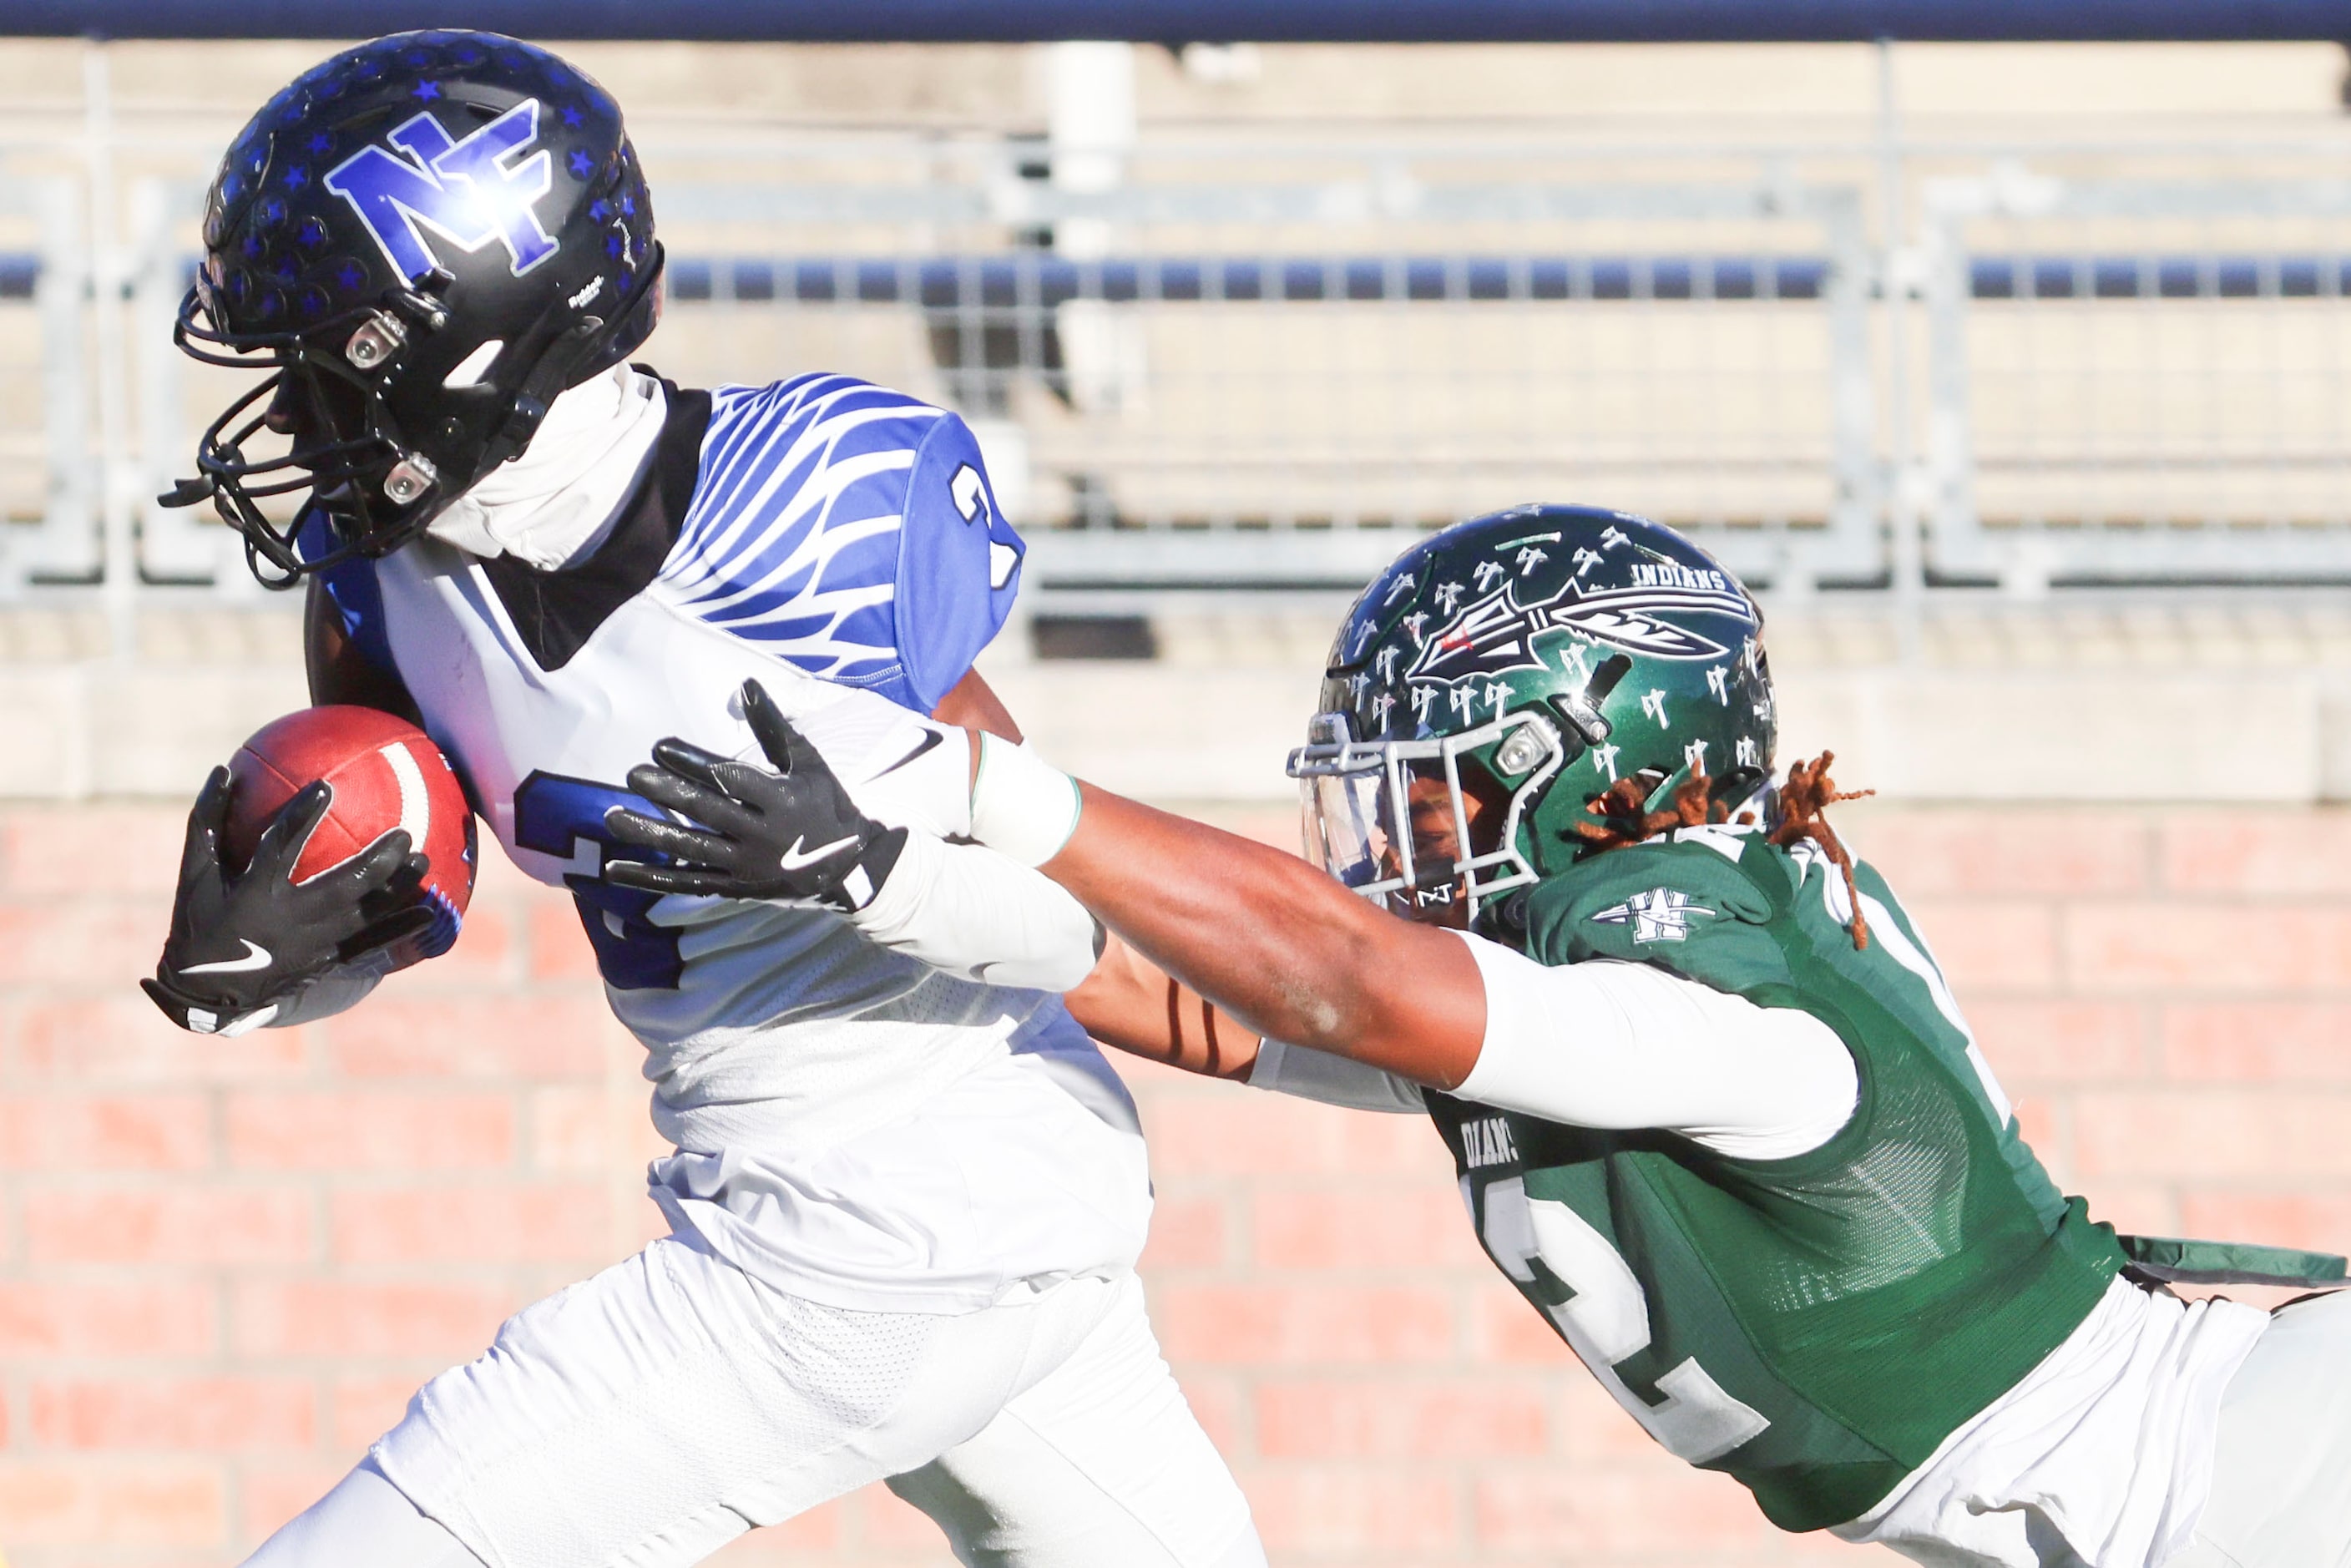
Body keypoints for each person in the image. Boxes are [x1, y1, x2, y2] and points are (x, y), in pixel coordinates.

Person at [622, 504, 2351, 1568]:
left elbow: (1341, 987)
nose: (1402, 839)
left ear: (1577, 771)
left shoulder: (1714, 1007)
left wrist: (983, 784)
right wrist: (885, 862)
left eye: (1442, 789)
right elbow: (1180, 996)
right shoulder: (1587, 1002)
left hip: (2249, 1489)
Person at [139, 30, 1265, 1568]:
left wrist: (1355, 1039)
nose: (289, 415)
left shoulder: (799, 516)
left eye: (331, 360)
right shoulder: (391, 576)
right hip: (1003, 1229)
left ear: (467, 338)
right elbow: (426, 866)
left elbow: (1061, 886)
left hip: (847, 1255)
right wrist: (279, 969)